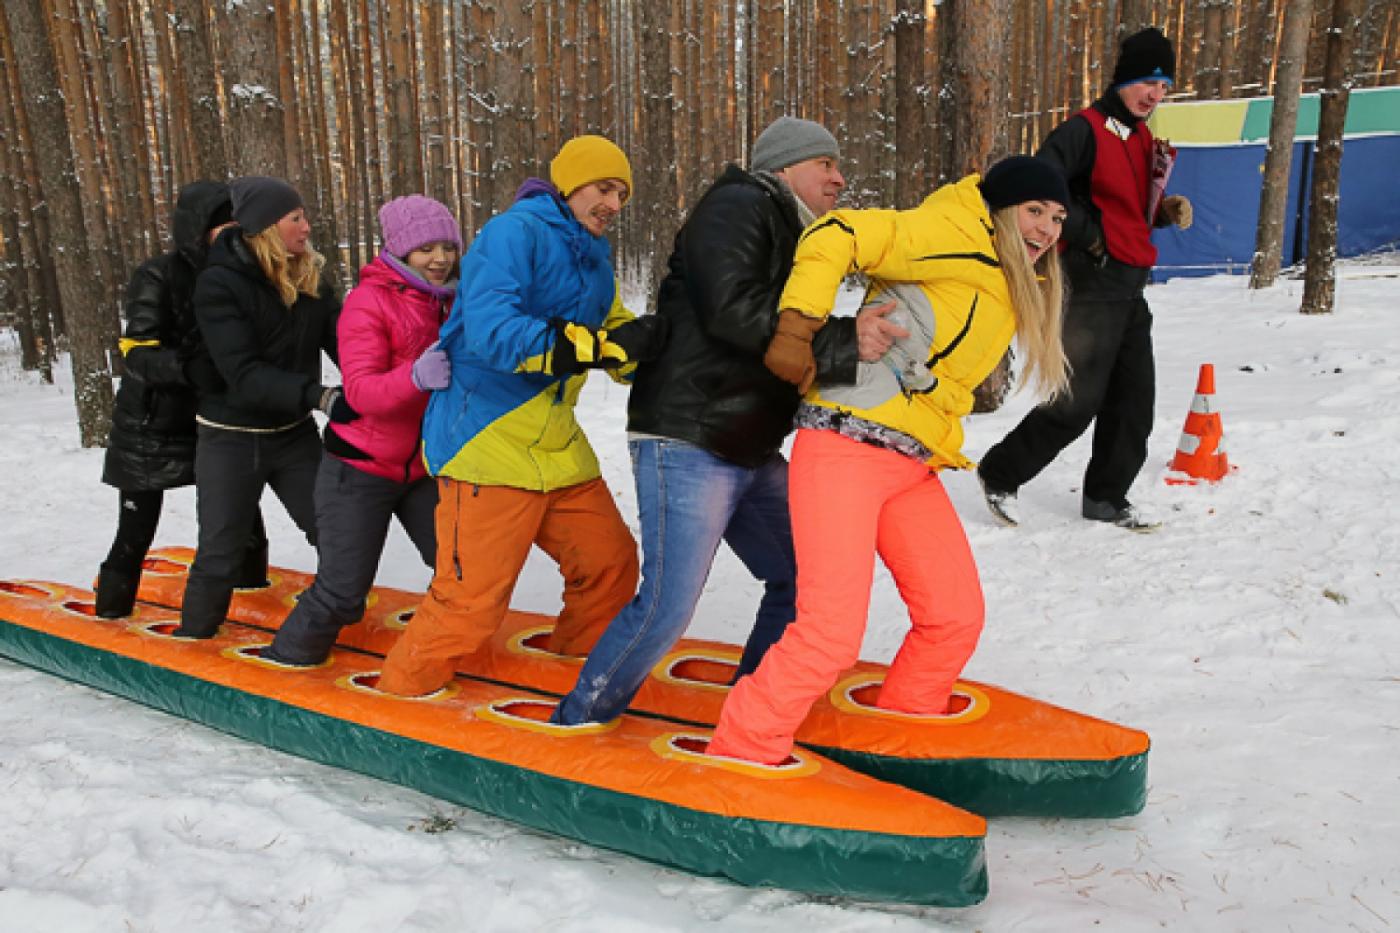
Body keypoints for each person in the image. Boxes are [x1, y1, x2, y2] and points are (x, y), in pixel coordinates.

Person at [705, 156, 1072, 764]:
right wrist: (797, 331)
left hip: (910, 463)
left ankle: (901, 737)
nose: (1046, 229)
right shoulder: (949, 232)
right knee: (829, 633)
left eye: (1057, 217)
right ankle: (740, 749)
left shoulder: (1010, 277)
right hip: (846, 442)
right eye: (1034, 211)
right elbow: (836, 233)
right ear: (1001, 208)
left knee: (954, 616)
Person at [552, 116, 907, 726]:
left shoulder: (795, 231)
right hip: (691, 435)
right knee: (666, 605)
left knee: (800, 580)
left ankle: (754, 711)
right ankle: (581, 719)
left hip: (748, 441)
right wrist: (844, 342)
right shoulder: (739, 205)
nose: (839, 178)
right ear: (785, 166)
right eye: (825, 164)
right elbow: (733, 311)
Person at [374, 135, 667, 697]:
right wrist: (589, 345)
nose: (613, 204)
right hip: (487, 441)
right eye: (604, 188)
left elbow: (614, 333)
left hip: (556, 445)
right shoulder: (514, 234)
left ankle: (567, 680)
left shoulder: (594, 258)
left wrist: (651, 352)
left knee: (608, 566)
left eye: (622, 195)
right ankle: (401, 697)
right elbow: (490, 332)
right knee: (468, 603)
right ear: (570, 183)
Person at [976, 27, 1193, 532]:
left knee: (1134, 400)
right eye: (1146, 81)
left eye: (1163, 85)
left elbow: (1124, 206)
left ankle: (1106, 497)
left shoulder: (1141, 138)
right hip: (1090, 280)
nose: (1154, 94)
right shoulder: (1083, 130)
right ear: (1123, 79)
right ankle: (1000, 472)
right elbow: (1040, 188)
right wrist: (1090, 235)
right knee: (1078, 399)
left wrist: (1162, 212)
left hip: (1130, 280)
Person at [264, 195, 462, 666]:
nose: (439, 259)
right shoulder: (368, 302)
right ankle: (288, 664)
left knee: (461, 576)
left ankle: (439, 659)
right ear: (399, 250)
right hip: (359, 469)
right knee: (343, 593)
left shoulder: (454, 300)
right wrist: (415, 376)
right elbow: (362, 391)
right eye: (426, 248)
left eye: (448, 247)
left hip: (422, 469)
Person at [174, 176, 348, 639]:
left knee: (334, 534)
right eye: (296, 218)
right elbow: (244, 374)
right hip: (230, 438)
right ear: (269, 226)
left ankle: (325, 627)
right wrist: (321, 396)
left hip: (292, 437)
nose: (307, 227)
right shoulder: (219, 284)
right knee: (220, 552)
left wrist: (384, 380)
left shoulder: (308, 275)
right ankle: (192, 644)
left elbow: (347, 343)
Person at [94, 181, 269, 618]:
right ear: (199, 231)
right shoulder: (159, 275)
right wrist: (189, 368)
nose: (232, 233)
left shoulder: (251, 276)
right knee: (135, 533)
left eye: (237, 224)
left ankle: (253, 608)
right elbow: (138, 353)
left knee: (245, 526)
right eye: (221, 225)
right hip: (151, 428)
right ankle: (111, 617)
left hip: (217, 422)